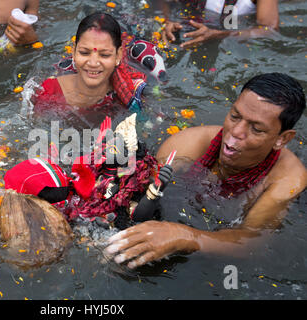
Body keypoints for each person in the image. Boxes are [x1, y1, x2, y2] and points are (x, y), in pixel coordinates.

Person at [104, 72, 306, 269]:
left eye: (256, 129)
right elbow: (136, 195)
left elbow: (250, 241)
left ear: (283, 138)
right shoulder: (186, 145)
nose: (236, 132)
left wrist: (184, 237)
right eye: (235, 116)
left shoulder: (288, 179)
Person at [32, 12, 147, 114]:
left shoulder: (128, 97)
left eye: (104, 55)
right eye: (84, 53)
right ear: (74, 51)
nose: (93, 63)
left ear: (118, 56)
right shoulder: (48, 92)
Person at [155, 0, 279, 48]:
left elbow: (269, 29)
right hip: (188, 27)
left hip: (231, 41)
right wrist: (167, 21)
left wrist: (220, 35)